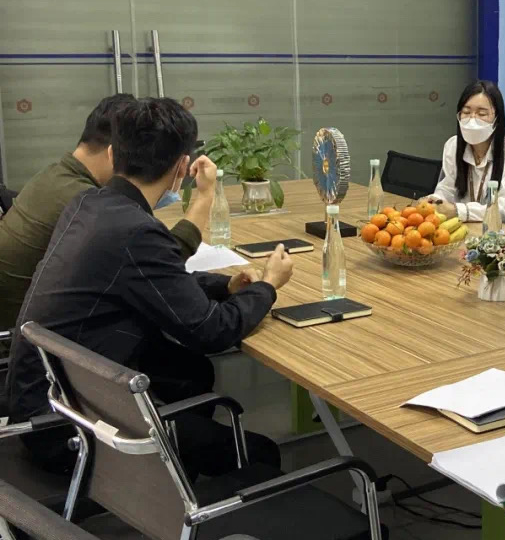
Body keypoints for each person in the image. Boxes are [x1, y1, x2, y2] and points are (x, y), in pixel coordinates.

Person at [6, 97, 293, 477]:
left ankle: (176, 477)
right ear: (181, 168)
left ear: (113, 153)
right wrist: (268, 285)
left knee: (188, 371)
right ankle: (175, 495)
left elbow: (154, 279)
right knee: (259, 452)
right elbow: (212, 330)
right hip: (72, 428)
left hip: (44, 397)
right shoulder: (136, 230)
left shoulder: (88, 204)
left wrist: (225, 285)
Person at [0, 94, 216, 333]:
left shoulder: (55, 174)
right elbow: (157, 266)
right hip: (30, 335)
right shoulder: (84, 200)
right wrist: (204, 197)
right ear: (116, 151)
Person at [428, 80, 505, 230]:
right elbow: (448, 187)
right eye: (466, 112)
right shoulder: (453, 146)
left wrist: (458, 211)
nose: (472, 119)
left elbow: (504, 208)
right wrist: (435, 202)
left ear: (497, 119)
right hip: (468, 228)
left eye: (481, 114)